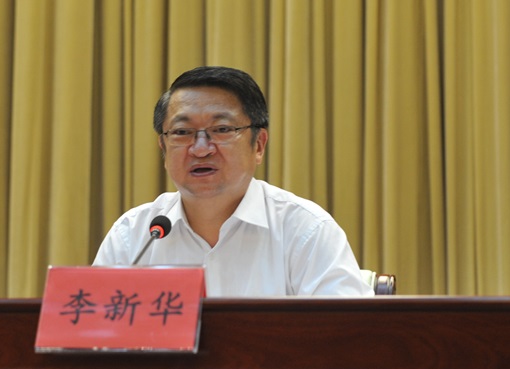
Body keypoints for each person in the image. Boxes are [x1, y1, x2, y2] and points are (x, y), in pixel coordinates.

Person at [93, 66, 373, 297]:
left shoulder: (305, 230)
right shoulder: (134, 236)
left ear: (259, 145)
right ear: (163, 148)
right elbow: (92, 335)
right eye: (182, 132)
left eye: (222, 129)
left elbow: (345, 338)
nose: (200, 148)